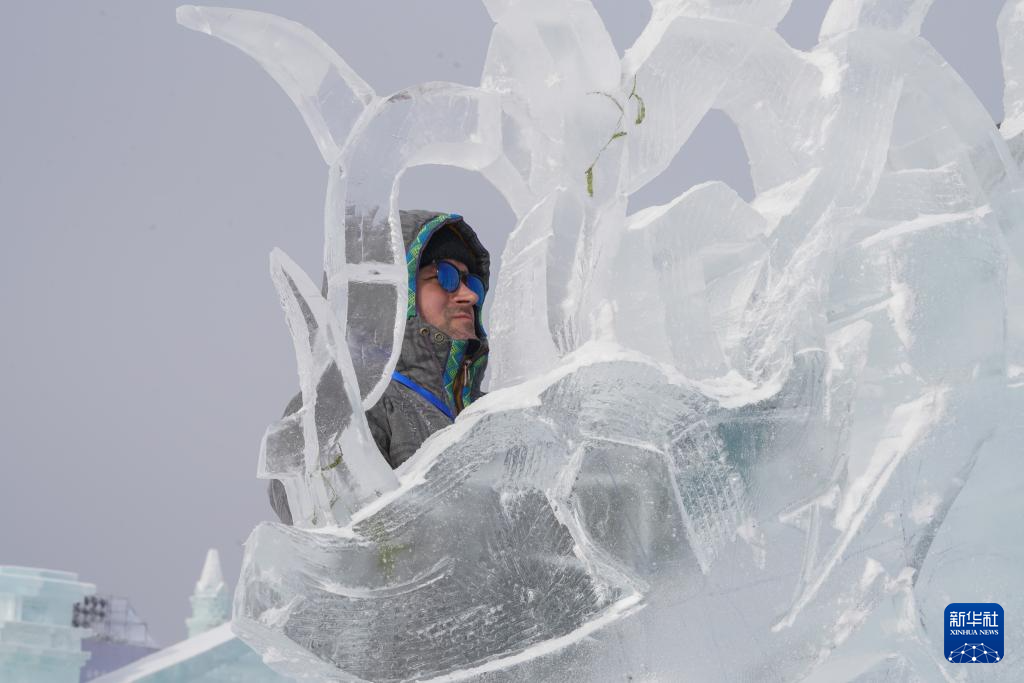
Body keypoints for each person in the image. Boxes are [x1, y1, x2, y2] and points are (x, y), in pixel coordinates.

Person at [268, 210, 491, 524]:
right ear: (391, 292)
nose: (469, 296)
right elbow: (331, 527)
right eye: (446, 277)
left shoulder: (489, 413)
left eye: (473, 283)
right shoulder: (345, 403)